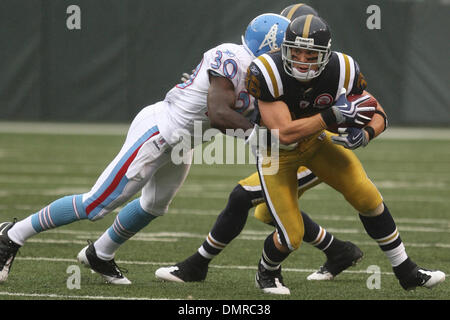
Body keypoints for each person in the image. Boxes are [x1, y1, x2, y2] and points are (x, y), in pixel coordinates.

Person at [0, 13, 292, 285]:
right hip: (159, 132)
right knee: (97, 204)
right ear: (268, 45)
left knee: (154, 205)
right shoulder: (232, 57)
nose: (288, 57)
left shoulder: (263, 75)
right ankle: (11, 235)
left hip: (183, 142)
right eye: (284, 49)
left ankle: (99, 254)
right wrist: (257, 137)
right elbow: (218, 112)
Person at [154, 3, 365, 285]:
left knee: (243, 197)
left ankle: (199, 265)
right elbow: (263, 109)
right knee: (267, 211)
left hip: (311, 151)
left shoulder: (315, 71)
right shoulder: (279, 69)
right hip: (284, 150)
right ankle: (338, 250)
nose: (290, 51)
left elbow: (292, 116)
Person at [243, 14, 445, 294]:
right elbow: (285, 132)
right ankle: (267, 271)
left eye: (310, 53)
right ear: (283, 48)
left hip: (316, 144)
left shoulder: (343, 69)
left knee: (368, 197)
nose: (301, 59)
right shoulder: (267, 71)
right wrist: (331, 115)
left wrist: (365, 134)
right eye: (296, 51)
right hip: (276, 153)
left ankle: (406, 270)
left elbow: (378, 112)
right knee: (291, 236)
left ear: (325, 55)